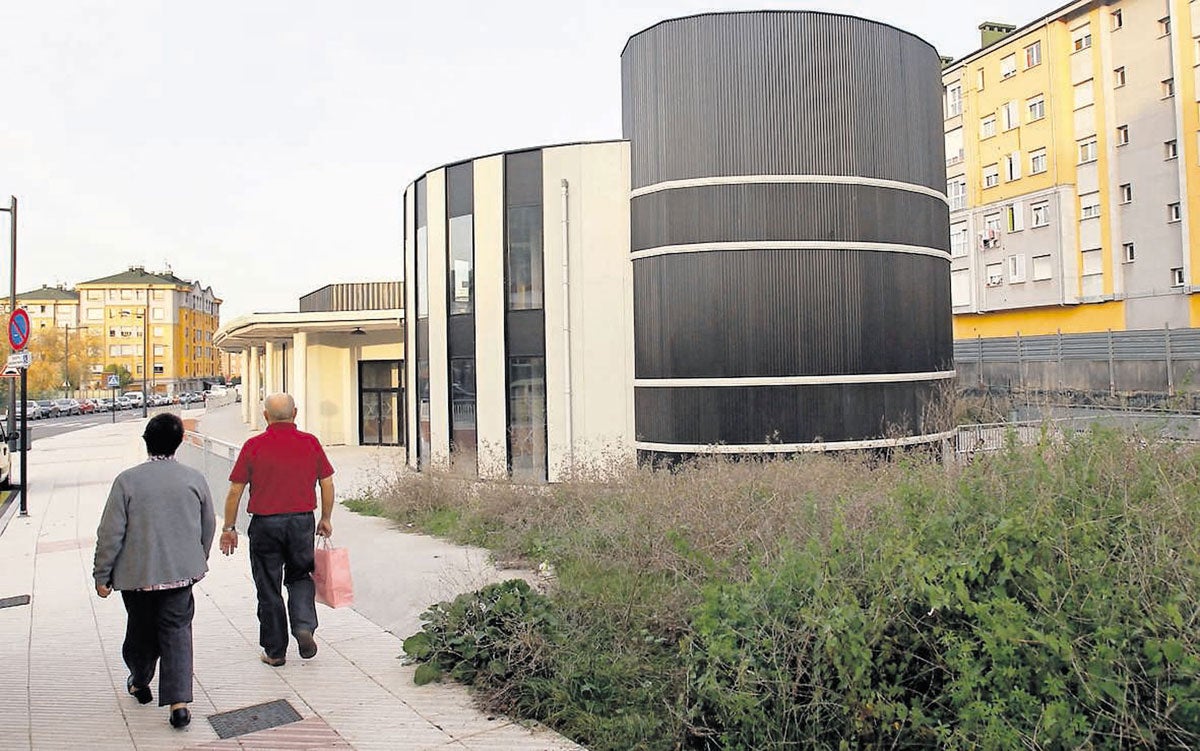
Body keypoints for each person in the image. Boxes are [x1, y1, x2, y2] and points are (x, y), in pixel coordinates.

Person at [93, 412, 215, 730]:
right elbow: (208, 524)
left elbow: (110, 533)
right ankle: (178, 703)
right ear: (179, 442)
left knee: (141, 631)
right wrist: (197, 557)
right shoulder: (194, 479)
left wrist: (102, 574)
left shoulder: (127, 481)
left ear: (147, 441)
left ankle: (140, 678)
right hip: (180, 574)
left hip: (137, 578)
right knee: (177, 633)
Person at [220, 392, 335, 667]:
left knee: (268, 587)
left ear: (265, 416)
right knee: (300, 577)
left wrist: (229, 527)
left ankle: (275, 651)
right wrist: (326, 518)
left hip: (265, 524)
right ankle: (304, 626)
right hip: (301, 522)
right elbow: (327, 483)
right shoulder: (310, 442)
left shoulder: (253, 445)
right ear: (295, 413)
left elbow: (235, 490)